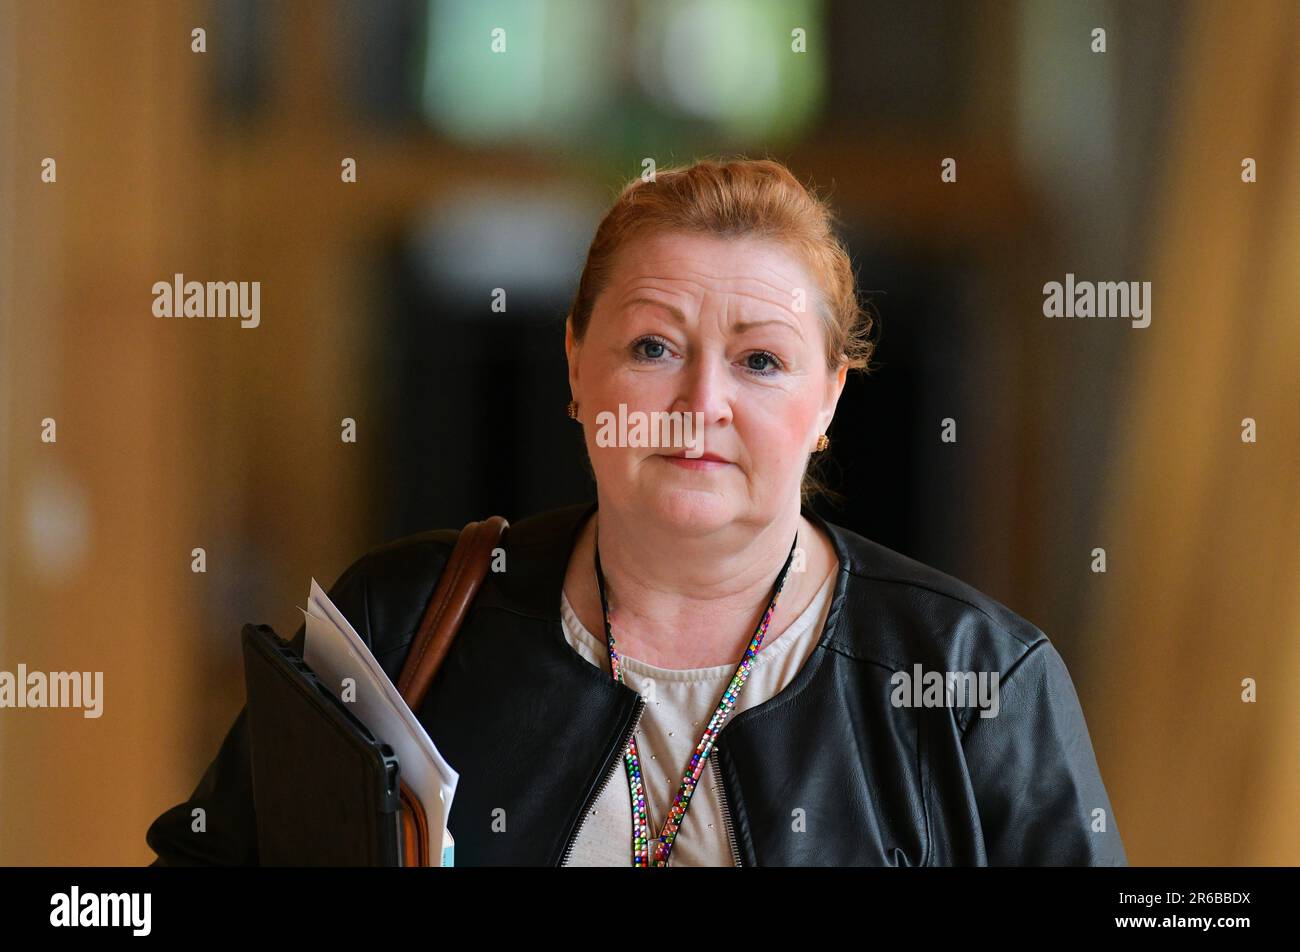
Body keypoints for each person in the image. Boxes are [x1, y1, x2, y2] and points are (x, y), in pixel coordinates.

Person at [146, 157, 1127, 866]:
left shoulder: (980, 680)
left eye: (760, 359)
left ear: (827, 399)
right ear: (576, 365)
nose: (703, 402)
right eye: (653, 347)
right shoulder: (400, 623)